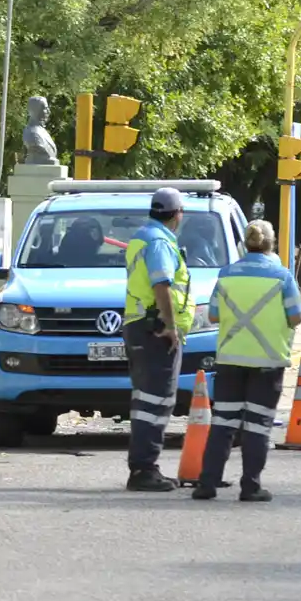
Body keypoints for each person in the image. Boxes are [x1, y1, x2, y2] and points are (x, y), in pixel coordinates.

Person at [193, 220, 301, 503]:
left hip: (230, 360)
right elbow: (296, 317)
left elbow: (215, 315)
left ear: (245, 243)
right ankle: (250, 486)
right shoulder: (282, 277)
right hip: (267, 360)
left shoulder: (226, 274)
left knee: (223, 423)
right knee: (257, 425)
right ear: (271, 244)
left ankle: (207, 483)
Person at [122, 187, 195, 492]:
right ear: (177, 215)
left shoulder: (143, 236)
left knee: (146, 400)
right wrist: (170, 325)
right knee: (156, 401)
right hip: (155, 330)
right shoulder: (160, 242)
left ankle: (144, 467)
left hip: (140, 326)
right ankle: (144, 469)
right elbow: (161, 284)